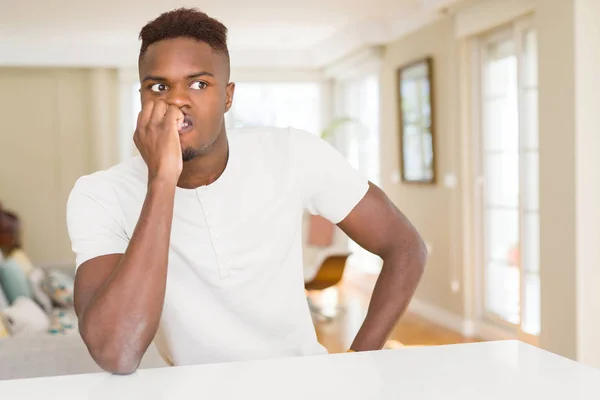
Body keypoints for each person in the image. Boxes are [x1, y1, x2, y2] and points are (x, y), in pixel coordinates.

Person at [66, 7, 427, 375]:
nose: (177, 101)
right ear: (142, 97)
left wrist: (357, 364)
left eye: (199, 84)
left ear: (227, 97)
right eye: (159, 87)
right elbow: (116, 353)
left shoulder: (292, 152)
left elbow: (405, 247)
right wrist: (162, 179)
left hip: (303, 383)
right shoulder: (99, 194)